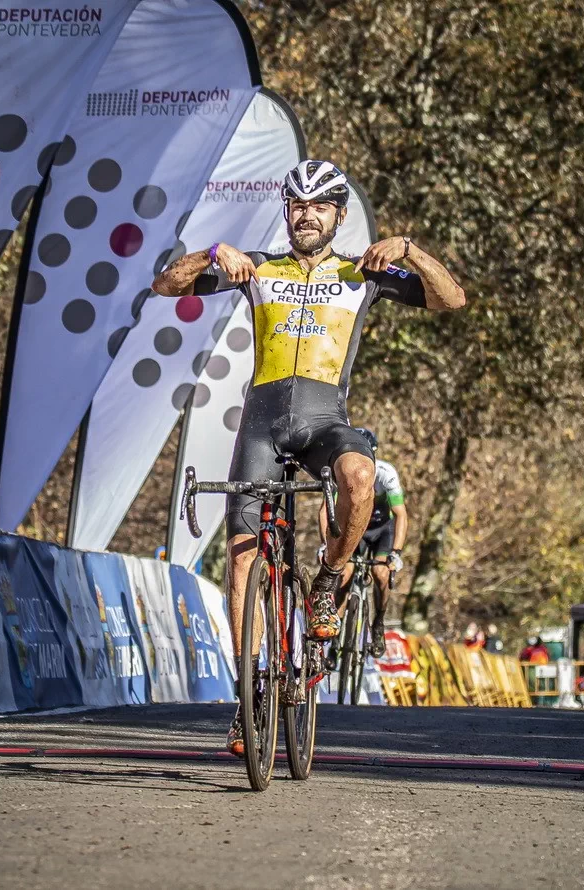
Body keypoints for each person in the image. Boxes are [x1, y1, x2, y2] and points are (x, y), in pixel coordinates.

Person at [151, 160, 466, 755]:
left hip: (326, 420)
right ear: (286, 211)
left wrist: (410, 249)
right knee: (243, 559)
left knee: (360, 475)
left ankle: (327, 579)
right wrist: (214, 253)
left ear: (339, 216)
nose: (307, 215)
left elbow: (452, 300)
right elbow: (165, 285)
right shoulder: (259, 267)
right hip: (262, 425)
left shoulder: (361, 273)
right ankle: (250, 699)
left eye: (320, 206)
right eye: (297, 205)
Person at [321, 427, 409, 659]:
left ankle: (378, 623)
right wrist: (326, 544)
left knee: (380, 574)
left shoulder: (386, 474)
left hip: (382, 530)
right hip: (355, 529)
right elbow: (325, 511)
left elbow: (400, 514)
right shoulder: (343, 473)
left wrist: (396, 552)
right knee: (343, 574)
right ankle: (336, 633)